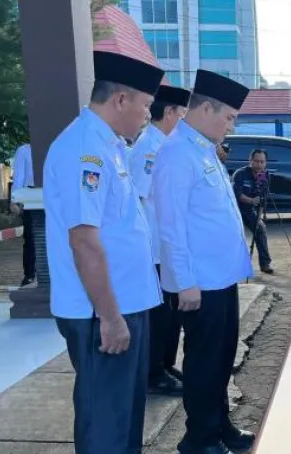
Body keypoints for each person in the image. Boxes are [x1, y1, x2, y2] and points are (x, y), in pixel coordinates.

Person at [43, 50, 173, 454]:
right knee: (103, 414)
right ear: (121, 99)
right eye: (145, 106)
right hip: (101, 310)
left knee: (127, 406)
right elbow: (84, 241)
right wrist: (111, 316)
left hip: (126, 303)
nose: (148, 115)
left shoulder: (111, 145)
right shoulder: (84, 148)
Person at [154, 69, 255, 454]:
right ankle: (200, 438)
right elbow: (170, 226)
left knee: (222, 356)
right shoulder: (177, 154)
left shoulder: (201, 149)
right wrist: (184, 283)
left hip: (219, 278)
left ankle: (219, 424)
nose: (231, 125)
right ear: (206, 109)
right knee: (203, 361)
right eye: (229, 117)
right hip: (198, 284)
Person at [129, 84, 191, 395]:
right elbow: (139, 201)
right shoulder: (148, 148)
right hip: (152, 249)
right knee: (159, 315)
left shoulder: (163, 145)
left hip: (165, 248)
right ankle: (153, 373)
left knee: (171, 315)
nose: (184, 120)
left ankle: (165, 364)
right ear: (169, 113)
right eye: (182, 114)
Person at [232, 149, 274, 274]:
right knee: (235, 238)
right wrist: (251, 201)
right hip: (234, 211)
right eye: (256, 161)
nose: (259, 165)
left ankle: (265, 264)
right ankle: (236, 266)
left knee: (260, 230)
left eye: (262, 162)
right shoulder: (240, 174)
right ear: (250, 161)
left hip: (249, 211)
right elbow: (236, 194)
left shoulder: (265, 176)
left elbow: (263, 198)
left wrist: (259, 216)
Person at [10, 142, 36, 287]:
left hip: (53, 197)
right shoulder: (25, 150)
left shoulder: (57, 146)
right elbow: (19, 177)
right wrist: (14, 200)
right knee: (31, 238)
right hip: (32, 198)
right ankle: (30, 275)